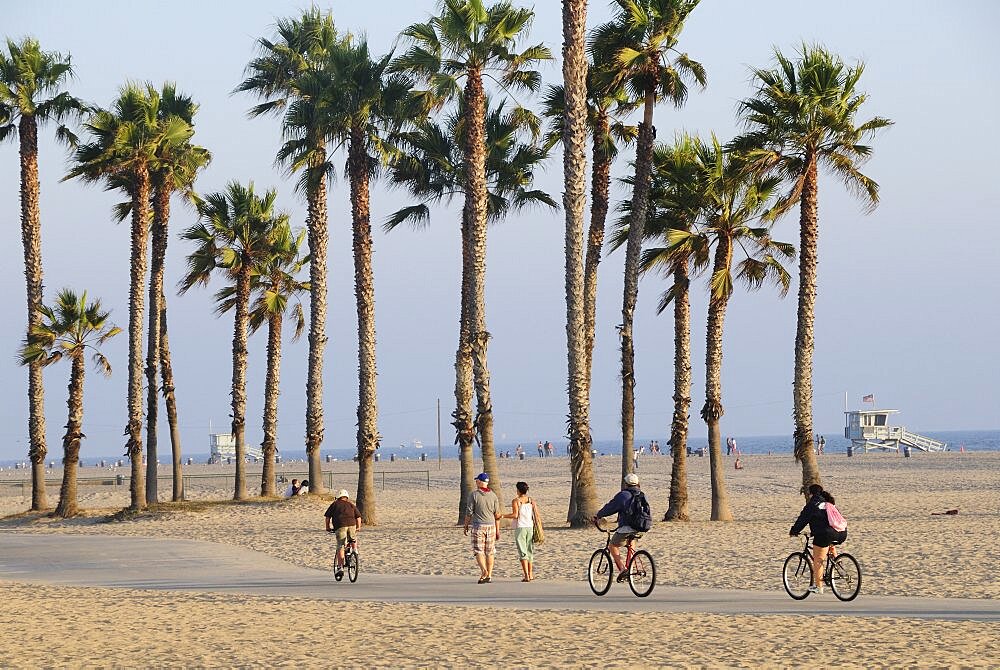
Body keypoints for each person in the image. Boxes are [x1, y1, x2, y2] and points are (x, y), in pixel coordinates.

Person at [789, 483, 848, 594]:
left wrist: (794, 531)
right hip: (841, 533)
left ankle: (819, 587)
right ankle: (839, 567)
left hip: (825, 534)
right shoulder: (828, 503)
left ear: (811, 494)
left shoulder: (812, 504)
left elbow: (802, 520)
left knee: (818, 560)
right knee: (830, 544)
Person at [592, 473, 645, 583]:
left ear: (626, 484)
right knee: (631, 542)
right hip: (640, 527)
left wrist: (599, 515)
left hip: (626, 527)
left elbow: (610, 508)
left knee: (612, 545)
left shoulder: (623, 495)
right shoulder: (641, 494)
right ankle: (631, 566)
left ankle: (622, 569)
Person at [463, 472, 501, 583]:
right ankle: (489, 575)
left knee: (478, 550)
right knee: (490, 552)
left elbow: (469, 512)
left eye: (477, 480)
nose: (476, 482)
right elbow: (497, 515)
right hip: (491, 526)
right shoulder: (493, 495)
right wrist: (497, 530)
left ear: (480, 482)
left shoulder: (474, 495)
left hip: (478, 526)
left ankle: (484, 571)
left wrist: (466, 525)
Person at [502, 481, 542, 581]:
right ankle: (531, 574)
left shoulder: (516, 501)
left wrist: (502, 516)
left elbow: (515, 515)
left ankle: (526, 575)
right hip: (530, 527)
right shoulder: (531, 500)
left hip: (520, 527)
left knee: (522, 552)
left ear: (518, 490)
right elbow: (536, 514)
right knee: (529, 551)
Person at [324, 489, 362, 577]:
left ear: (337, 497)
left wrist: (327, 527)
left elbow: (327, 517)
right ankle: (355, 551)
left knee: (340, 545)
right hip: (352, 524)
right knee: (352, 538)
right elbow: (358, 517)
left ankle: (340, 567)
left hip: (340, 525)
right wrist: (358, 527)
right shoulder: (351, 504)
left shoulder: (335, 504)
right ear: (347, 497)